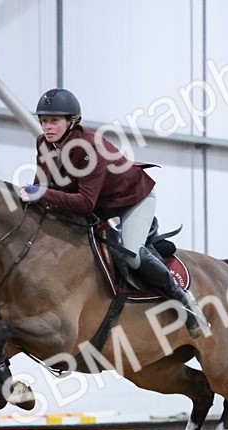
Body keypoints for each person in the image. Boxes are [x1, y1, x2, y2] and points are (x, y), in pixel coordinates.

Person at [19, 88, 210, 338]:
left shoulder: (89, 147)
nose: (47, 127)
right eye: (43, 121)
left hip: (132, 199)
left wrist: (40, 194)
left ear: (72, 121)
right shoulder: (44, 143)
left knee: (132, 254)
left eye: (54, 120)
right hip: (100, 203)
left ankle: (184, 300)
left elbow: (85, 203)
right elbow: (42, 185)